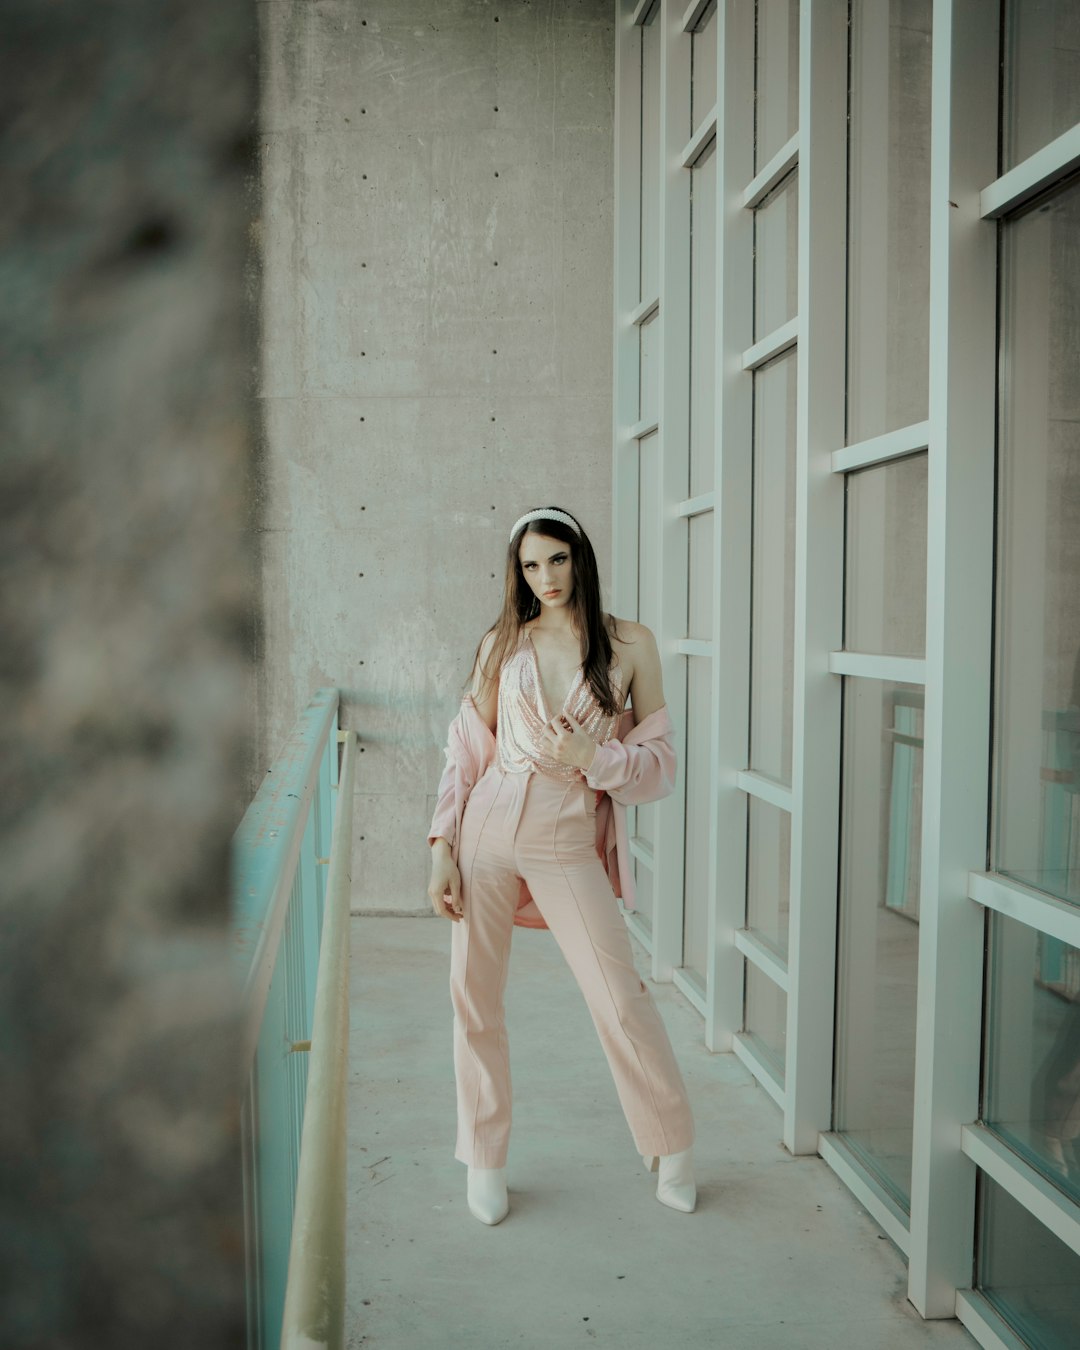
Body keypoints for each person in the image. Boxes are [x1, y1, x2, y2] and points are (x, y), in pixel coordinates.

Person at [427, 506, 695, 1225]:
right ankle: (483, 1159)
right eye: (530, 565)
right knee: (473, 997)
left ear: (581, 559)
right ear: (517, 572)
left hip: (565, 832)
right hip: (486, 825)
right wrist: (440, 848)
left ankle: (672, 1145)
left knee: (619, 995)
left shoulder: (630, 644)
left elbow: (661, 768)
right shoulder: (502, 641)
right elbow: (465, 752)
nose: (545, 577)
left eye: (557, 560)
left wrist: (596, 758)